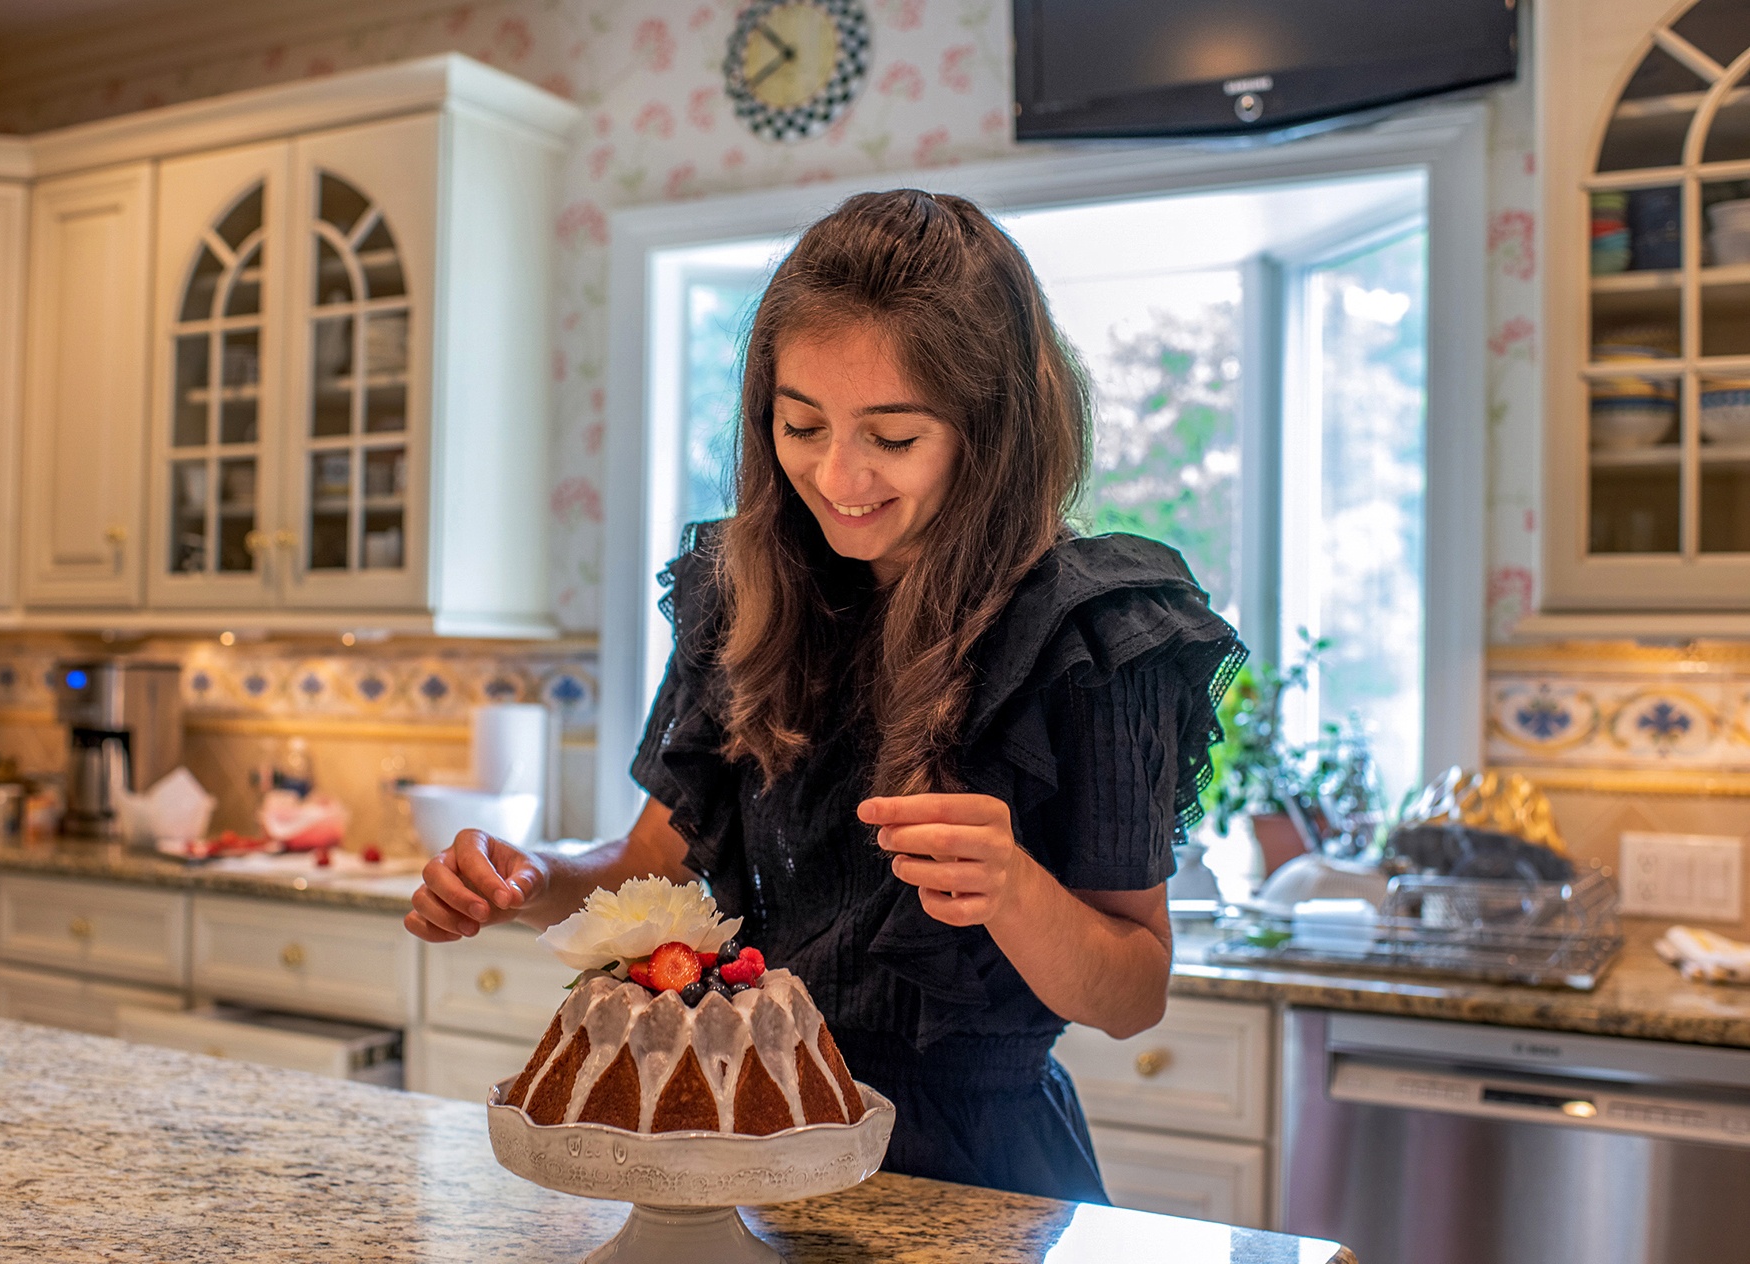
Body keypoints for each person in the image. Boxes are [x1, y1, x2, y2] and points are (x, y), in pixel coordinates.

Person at [406, 189, 1245, 1203]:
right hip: (759, 1129)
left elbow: (1132, 993)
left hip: (981, 1173)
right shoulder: (742, 595)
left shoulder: (1094, 635)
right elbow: (648, 869)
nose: (839, 476)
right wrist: (525, 876)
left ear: (992, 432)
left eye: (892, 438)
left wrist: (1014, 889)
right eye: (802, 424)